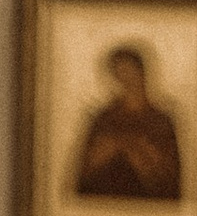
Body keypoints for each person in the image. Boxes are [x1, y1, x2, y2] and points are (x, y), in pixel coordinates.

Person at [72, 38, 183, 198]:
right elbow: (84, 174)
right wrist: (105, 153)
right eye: (119, 72)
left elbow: (171, 179)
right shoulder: (104, 118)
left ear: (141, 72)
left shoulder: (161, 121)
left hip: (149, 205)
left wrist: (142, 156)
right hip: (105, 202)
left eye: (129, 71)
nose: (126, 78)